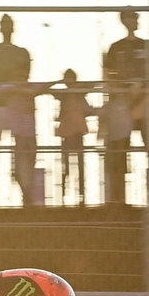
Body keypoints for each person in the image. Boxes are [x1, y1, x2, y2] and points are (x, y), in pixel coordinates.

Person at [0, 15, 39, 205]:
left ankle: (24, 192)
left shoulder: (17, 52)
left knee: (21, 151)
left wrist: (7, 82)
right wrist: (11, 81)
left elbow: (21, 77)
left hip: (15, 105)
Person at [101, 10, 147, 205]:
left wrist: (142, 91)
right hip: (122, 104)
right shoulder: (116, 48)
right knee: (119, 151)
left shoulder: (146, 45)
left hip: (144, 103)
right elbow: (107, 75)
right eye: (131, 18)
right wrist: (122, 92)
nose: (134, 21)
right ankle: (118, 199)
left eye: (135, 18)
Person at [54, 69, 92, 204]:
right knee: (69, 164)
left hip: (72, 131)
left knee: (75, 163)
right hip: (71, 130)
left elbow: (91, 87)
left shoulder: (75, 93)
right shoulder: (70, 94)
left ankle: (76, 193)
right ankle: (70, 193)